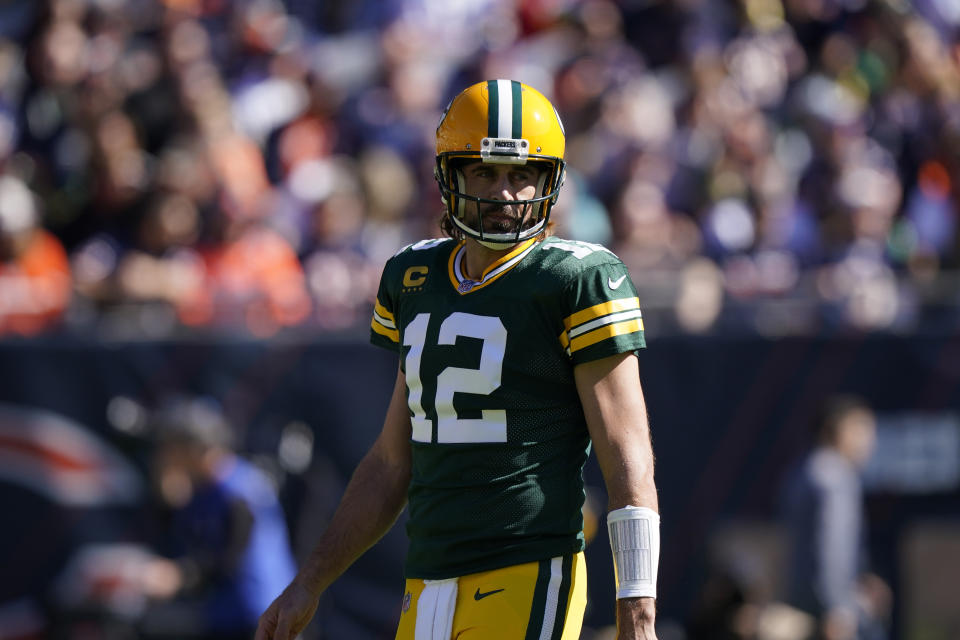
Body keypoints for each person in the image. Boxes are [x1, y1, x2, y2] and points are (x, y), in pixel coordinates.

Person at [256, 80, 660, 640]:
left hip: (528, 568)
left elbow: (627, 455)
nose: (506, 193)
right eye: (485, 172)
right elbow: (391, 463)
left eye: (523, 175)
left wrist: (637, 605)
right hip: (425, 583)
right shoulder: (412, 276)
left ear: (550, 182)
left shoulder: (577, 278)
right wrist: (310, 582)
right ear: (450, 177)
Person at [141, 396, 297, 639]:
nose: (164, 456)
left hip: (259, 620)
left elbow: (231, 558)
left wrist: (180, 576)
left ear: (194, 448)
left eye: (170, 447)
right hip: (227, 615)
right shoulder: (203, 490)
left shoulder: (239, 490)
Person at [780, 395, 891, 640]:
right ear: (836, 428)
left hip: (802, 604)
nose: (869, 441)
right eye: (861, 429)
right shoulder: (835, 479)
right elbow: (832, 547)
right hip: (831, 614)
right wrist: (838, 608)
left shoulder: (802, 471)